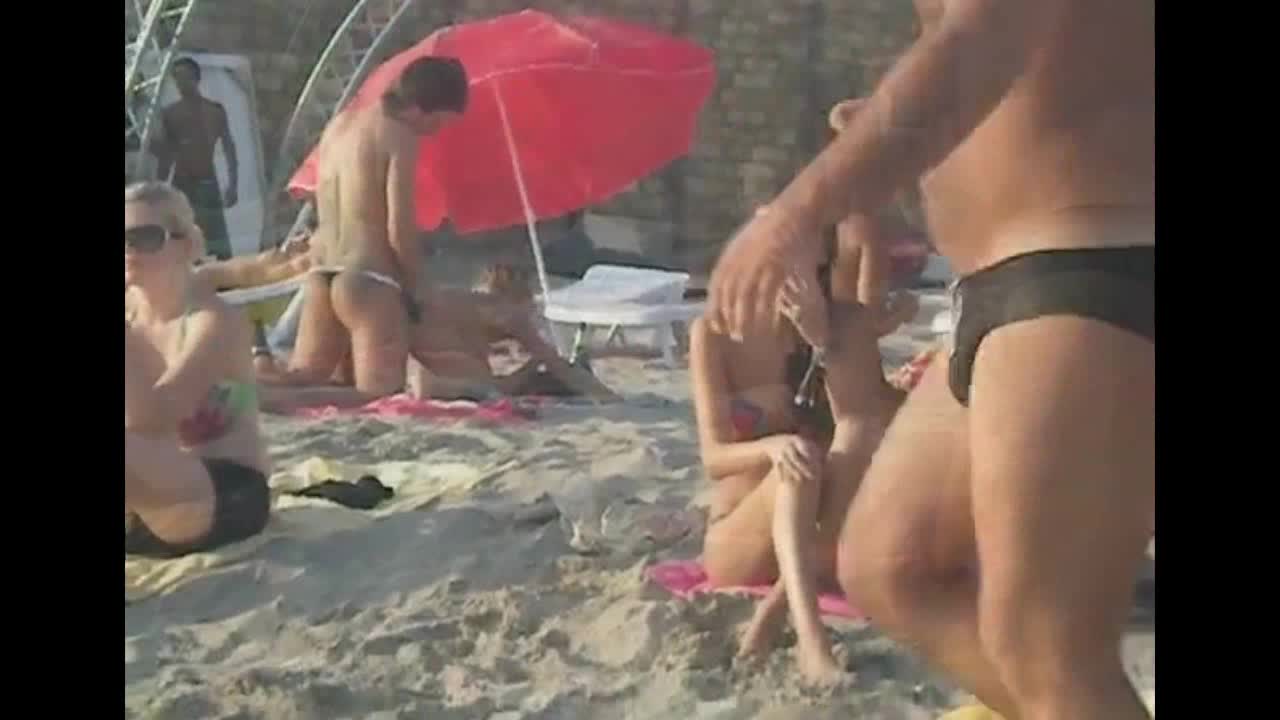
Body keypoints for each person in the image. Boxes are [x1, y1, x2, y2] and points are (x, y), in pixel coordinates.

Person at [705, 1, 1153, 718]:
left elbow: (982, 39)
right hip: (1005, 278)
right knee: (893, 566)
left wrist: (798, 212)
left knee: (1046, 645)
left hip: (1088, 259)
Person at [691, 208, 916, 684]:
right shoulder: (715, 332)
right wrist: (772, 448)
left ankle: (775, 610)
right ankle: (813, 644)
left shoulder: (846, 321)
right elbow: (713, 458)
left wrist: (820, 341)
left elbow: (860, 420)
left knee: (859, 437)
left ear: (819, 254)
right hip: (742, 538)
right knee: (800, 458)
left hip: (818, 529)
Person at [260, 56, 469, 409]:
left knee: (304, 376)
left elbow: (323, 203)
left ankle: (244, 390)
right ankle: (262, 401)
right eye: (439, 122)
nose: (436, 132)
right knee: (379, 393)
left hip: (323, 272)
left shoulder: (339, 126)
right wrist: (419, 289)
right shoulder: (399, 135)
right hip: (368, 278)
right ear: (420, 108)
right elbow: (399, 228)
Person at [125, 181, 270, 557]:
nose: (129, 250)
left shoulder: (215, 322)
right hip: (148, 499)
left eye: (144, 238)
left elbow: (154, 420)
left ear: (185, 244)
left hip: (226, 494)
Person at [156, 57, 239, 260]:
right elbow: (167, 155)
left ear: (196, 78)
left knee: (217, 240)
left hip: (207, 181)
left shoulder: (213, 111)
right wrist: (159, 189)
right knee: (182, 236)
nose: (181, 83)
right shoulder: (171, 114)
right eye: (177, 78)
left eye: (186, 77)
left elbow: (229, 147)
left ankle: (226, 273)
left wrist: (233, 185)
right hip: (182, 183)